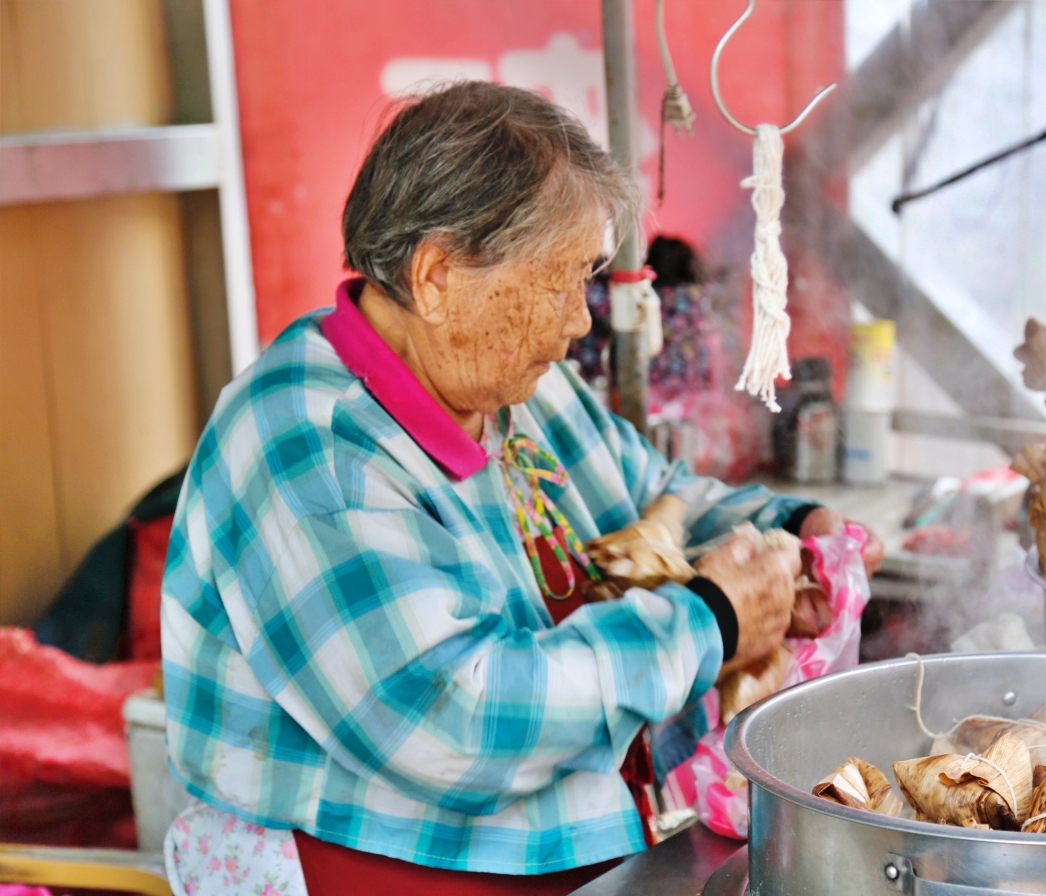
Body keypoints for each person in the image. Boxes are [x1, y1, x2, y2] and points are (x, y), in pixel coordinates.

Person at [160, 81, 882, 896]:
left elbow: (655, 494)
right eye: (562, 280)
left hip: (566, 853)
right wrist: (711, 619)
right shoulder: (309, 450)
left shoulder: (514, 385)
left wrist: (787, 527)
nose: (580, 321)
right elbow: (453, 724)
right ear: (436, 275)